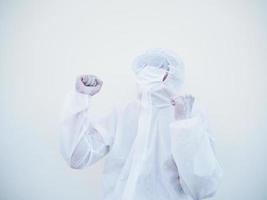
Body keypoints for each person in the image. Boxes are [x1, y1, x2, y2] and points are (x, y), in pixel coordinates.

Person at [60, 49, 223, 200]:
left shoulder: (191, 115)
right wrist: (81, 97)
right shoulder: (124, 113)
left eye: (160, 68)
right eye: (147, 69)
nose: (151, 72)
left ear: (174, 74)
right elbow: (77, 157)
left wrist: (184, 125)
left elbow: (202, 188)